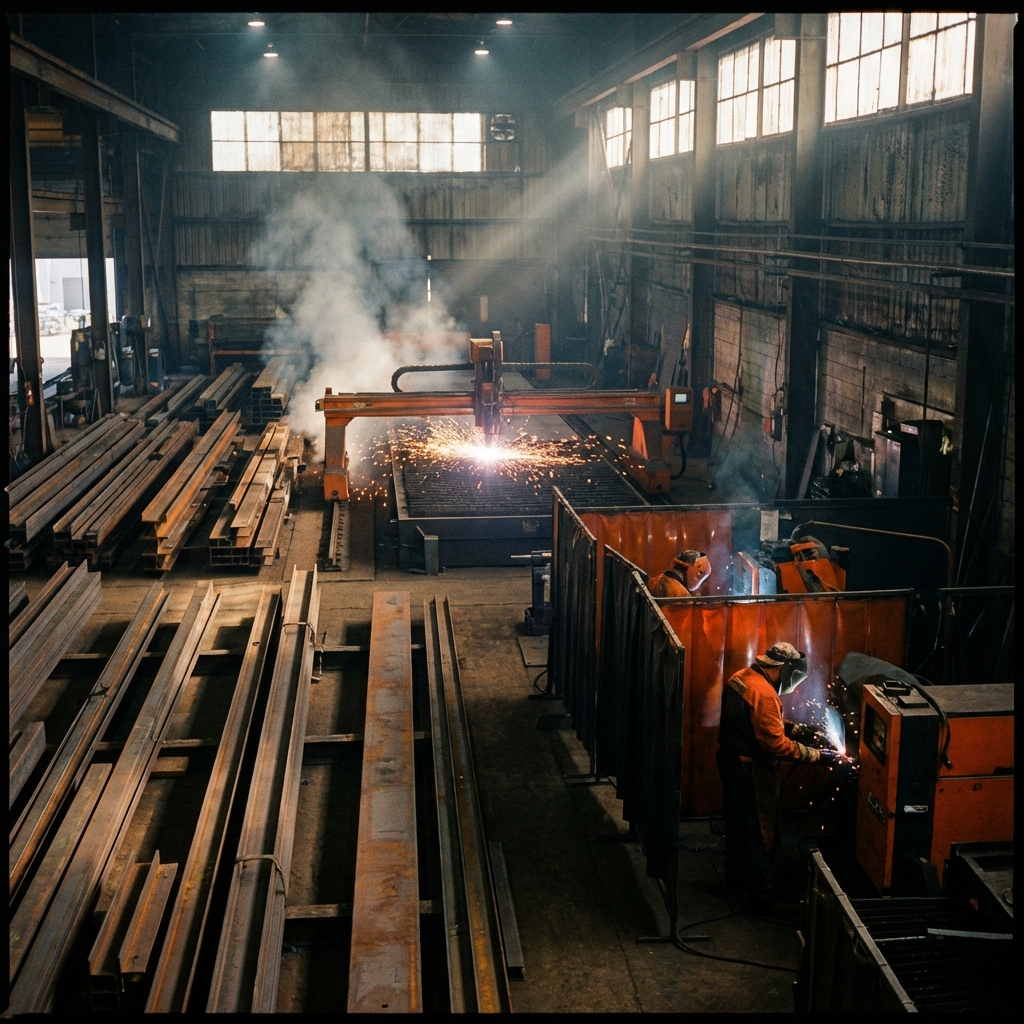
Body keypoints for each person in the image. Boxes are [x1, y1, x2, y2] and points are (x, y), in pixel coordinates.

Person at [716, 642, 839, 910]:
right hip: (750, 770)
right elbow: (775, 745)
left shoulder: (742, 678)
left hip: (729, 761)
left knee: (738, 825)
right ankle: (763, 897)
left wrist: (799, 730)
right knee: (760, 831)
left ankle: (736, 882)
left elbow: (759, 721)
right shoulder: (766, 695)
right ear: (783, 669)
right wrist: (815, 755)